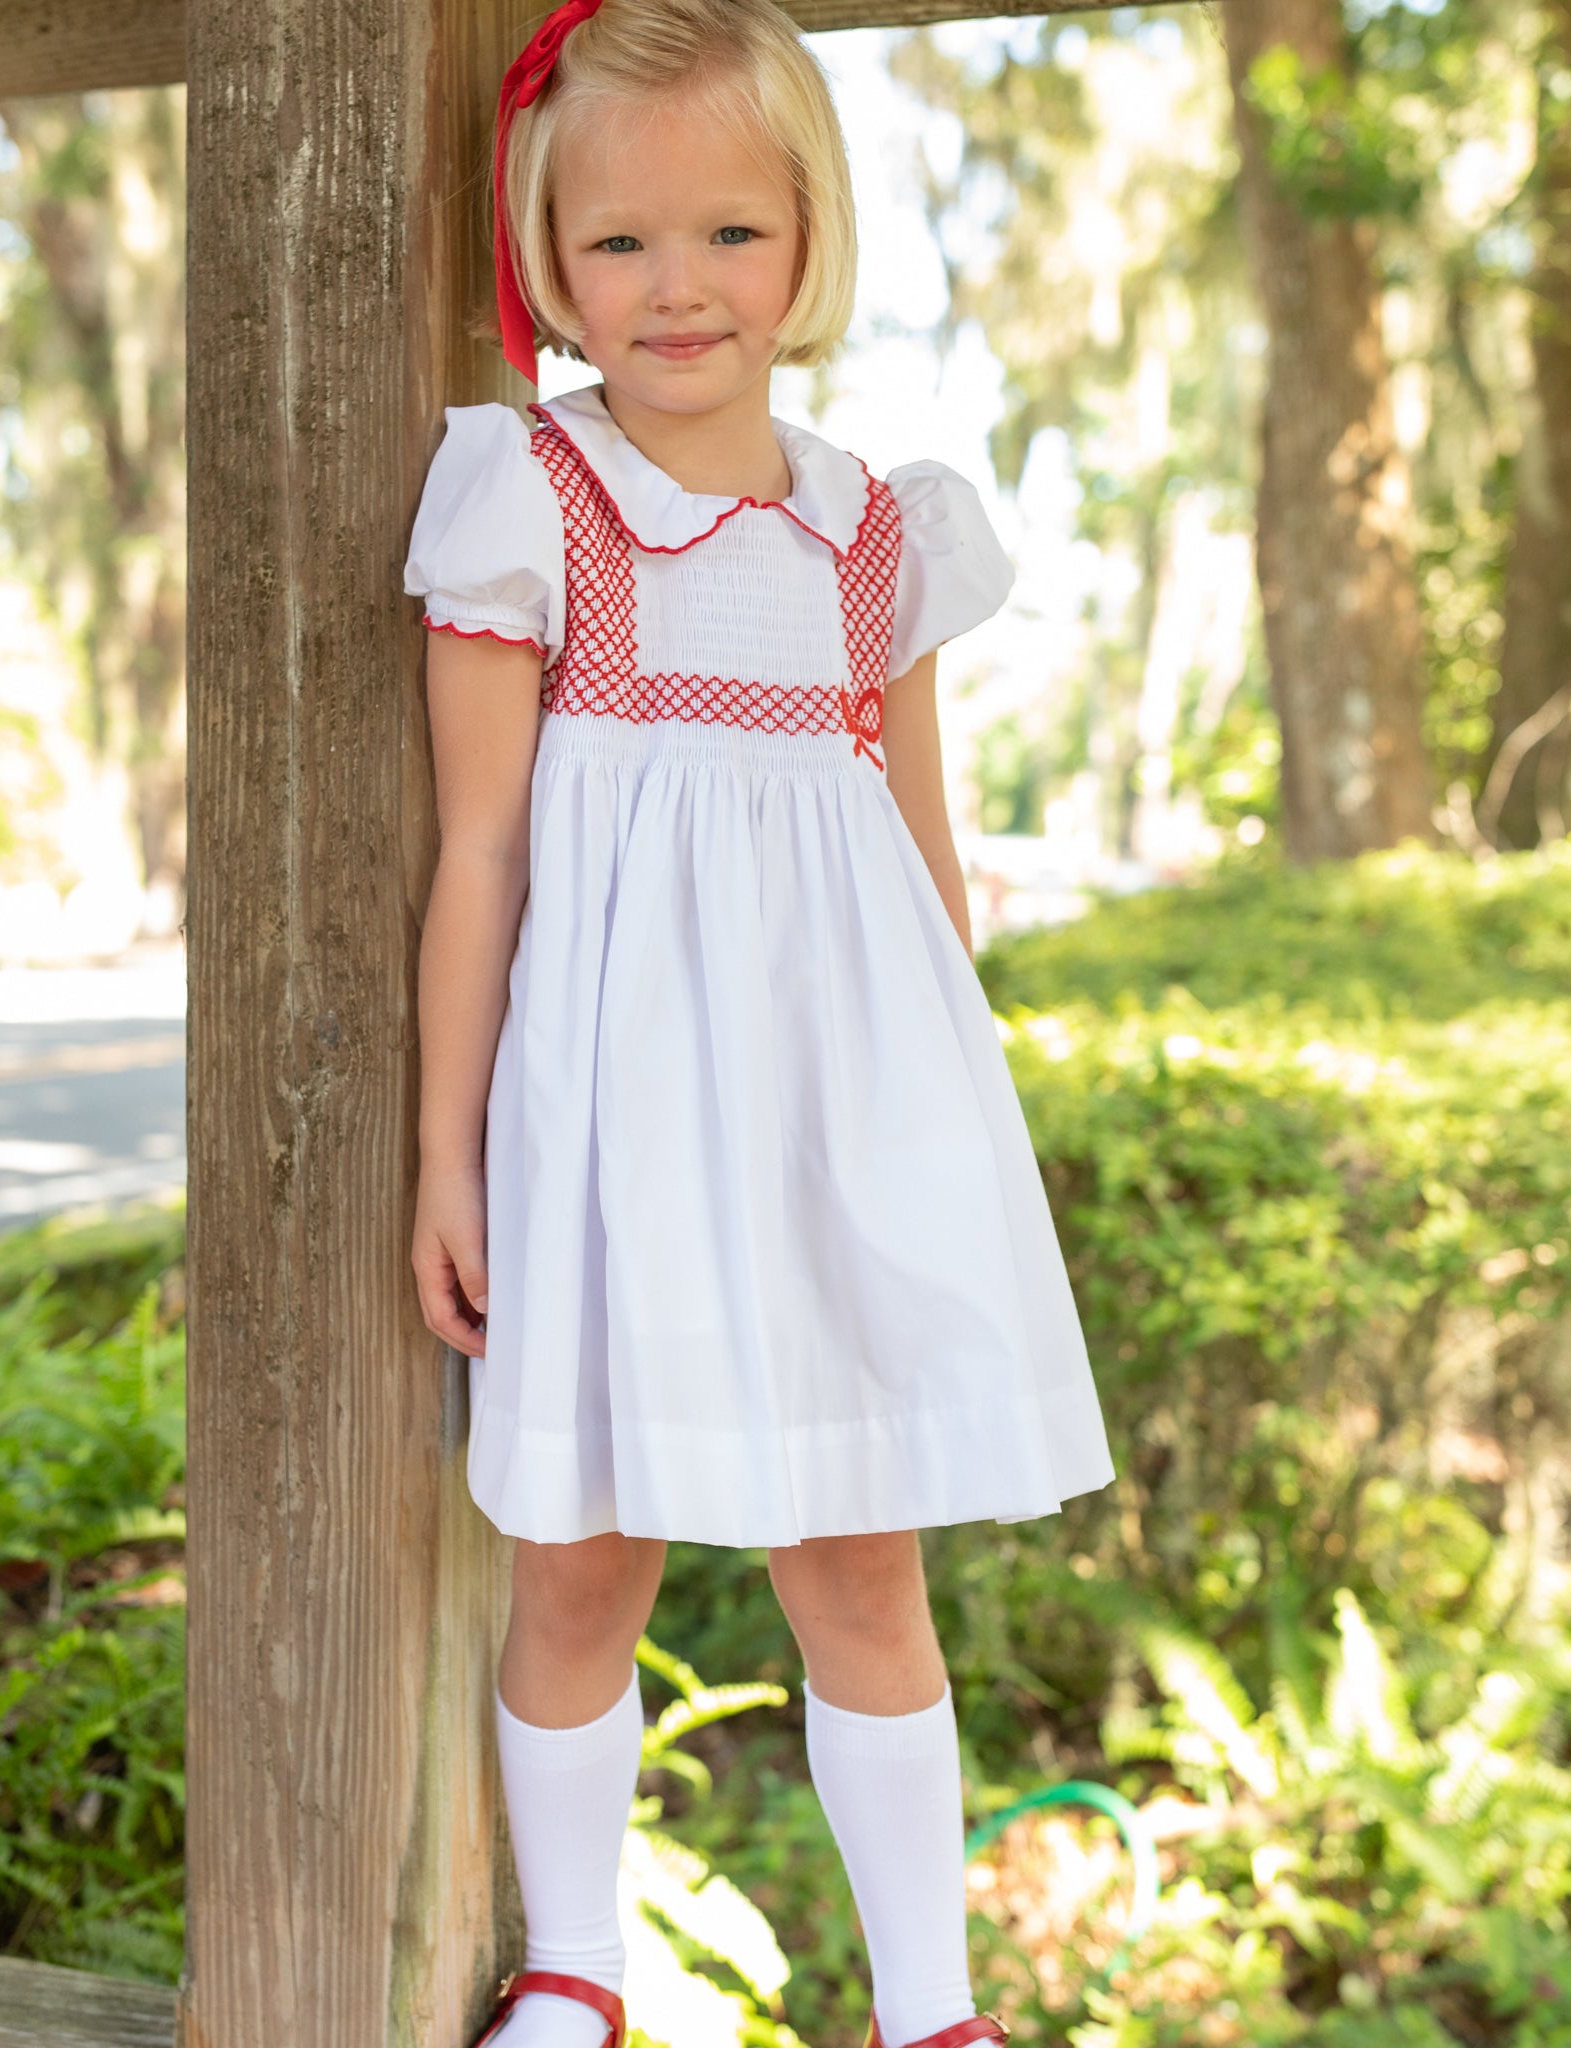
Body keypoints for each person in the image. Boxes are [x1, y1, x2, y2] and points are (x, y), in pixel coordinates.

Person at [404, 1, 1114, 2043]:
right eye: (616, 243)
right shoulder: (528, 502)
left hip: (831, 1128)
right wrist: (451, 1156)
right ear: (546, 254)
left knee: (857, 1565)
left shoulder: (872, 531)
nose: (675, 286)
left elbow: (916, 868)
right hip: (610, 1128)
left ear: (808, 240)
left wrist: (950, 1141)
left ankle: (929, 2007)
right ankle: (575, 1972)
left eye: (728, 232)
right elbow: (482, 860)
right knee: (575, 1568)